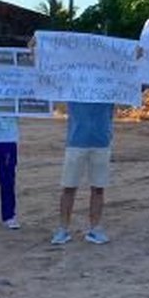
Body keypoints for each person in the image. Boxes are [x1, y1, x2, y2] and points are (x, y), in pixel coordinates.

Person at [51, 102, 114, 246]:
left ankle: (95, 228)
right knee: (69, 187)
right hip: (76, 141)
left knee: (98, 188)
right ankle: (63, 229)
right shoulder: (75, 81)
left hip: (101, 141)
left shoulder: (109, 83)